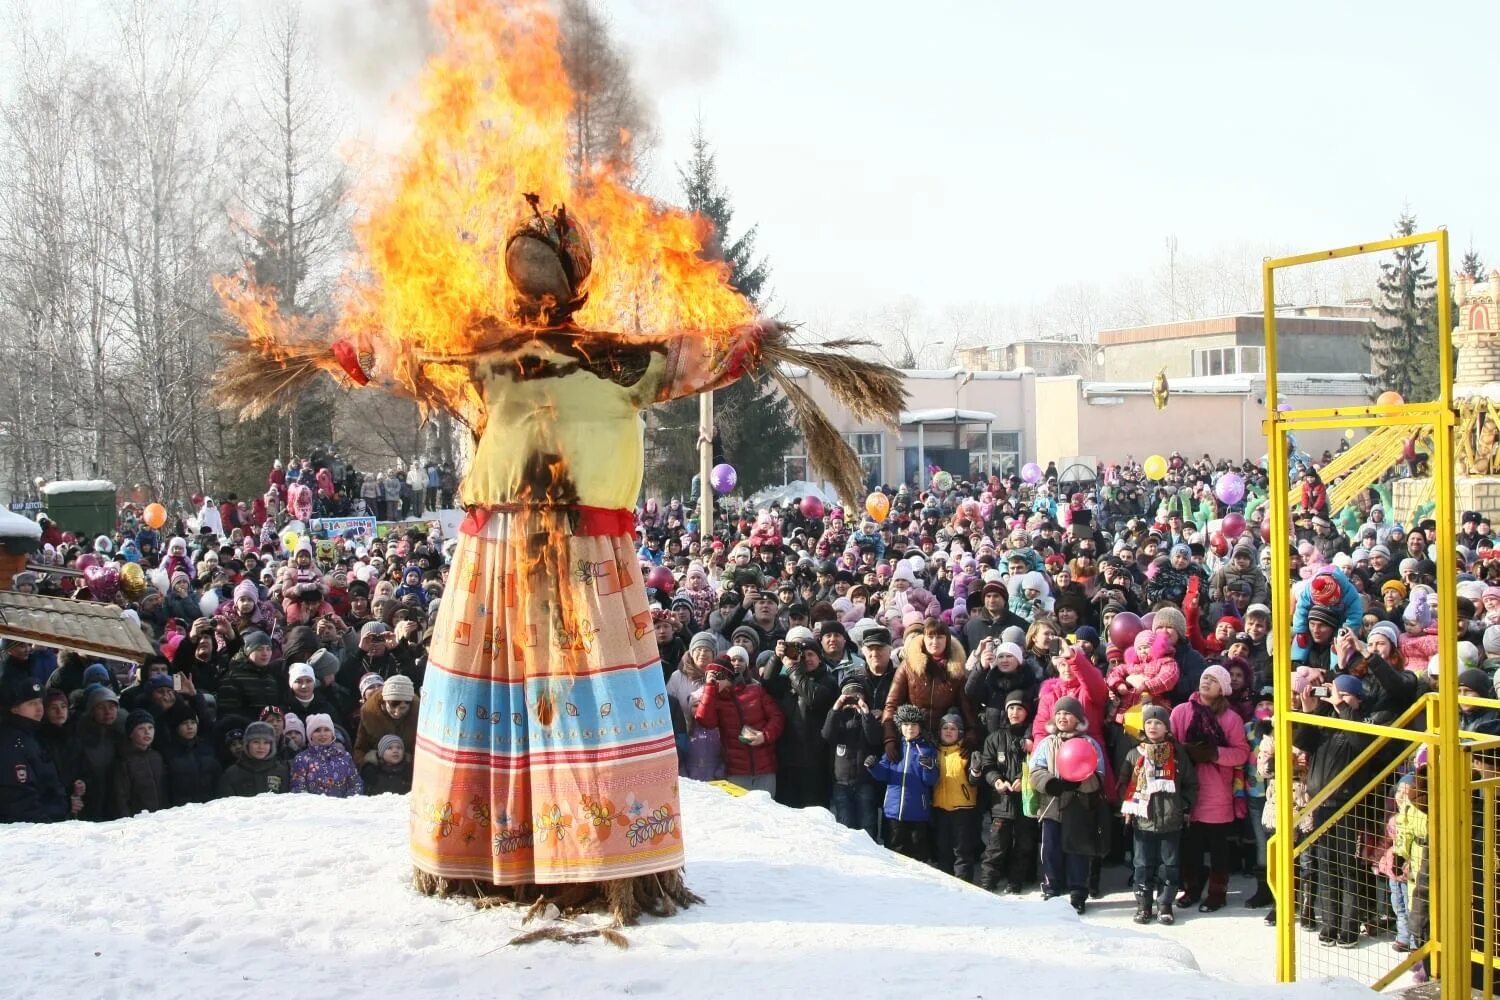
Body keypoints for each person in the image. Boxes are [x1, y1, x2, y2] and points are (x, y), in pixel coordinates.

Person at [1169, 663, 1250, 912]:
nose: (1206, 682)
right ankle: (1191, 888)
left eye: (1213, 680)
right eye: (1204, 677)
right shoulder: (1181, 711)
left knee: (1218, 849)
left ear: (1223, 688)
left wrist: (1214, 754)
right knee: (1189, 846)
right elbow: (1170, 743)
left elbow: (1241, 754)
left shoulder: (1231, 718)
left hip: (1217, 791)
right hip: (1188, 790)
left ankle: (1217, 892)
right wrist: (1186, 753)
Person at [1119, 704, 1197, 925]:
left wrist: (1183, 806)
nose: (1153, 726)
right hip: (1143, 820)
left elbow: (1191, 783)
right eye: (1149, 722)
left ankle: (1165, 904)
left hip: (1171, 821)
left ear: (1167, 728)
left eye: (1158, 722)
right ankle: (1143, 905)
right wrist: (1128, 807)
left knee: (1169, 865)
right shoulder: (1134, 754)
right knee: (1142, 864)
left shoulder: (1177, 754)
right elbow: (1123, 783)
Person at [1029, 695, 1107, 914]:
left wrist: (1080, 782)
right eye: (1059, 713)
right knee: (1050, 850)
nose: (1063, 717)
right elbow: (1035, 771)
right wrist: (1050, 784)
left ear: (1078, 718)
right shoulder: (1047, 743)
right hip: (1051, 806)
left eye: (1068, 713)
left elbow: (1099, 774)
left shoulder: (1089, 744)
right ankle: (1051, 888)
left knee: (1078, 851)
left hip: (1079, 806)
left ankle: (1078, 892)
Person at [694, 651, 785, 795]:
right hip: (736, 772)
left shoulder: (755, 691)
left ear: (728, 676)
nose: (715, 680)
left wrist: (765, 736)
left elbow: (777, 717)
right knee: (742, 815)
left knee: (767, 813)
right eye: (710, 676)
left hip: (765, 768)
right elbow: (705, 721)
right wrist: (710, 688)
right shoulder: (714, 700)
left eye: (718, 676)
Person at [976, 690, 1038, 894]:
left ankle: (1015, 882)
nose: (1015, 712)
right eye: (1011, 708)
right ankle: (988, 882)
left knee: (1024, 845)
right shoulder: (995, 738)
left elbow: (1036, 764)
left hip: (1024, 801)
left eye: (1019, 708)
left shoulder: (1032, 740)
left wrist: (1023, 779)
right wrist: (997, 781)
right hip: (1001, 802)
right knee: (996, 845)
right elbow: (987, 764)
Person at [0, 674, 80, 823]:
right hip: (34, 831)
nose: (39, 709)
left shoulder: (32, 736)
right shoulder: (13, 743)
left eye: (40, 702)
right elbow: (20, 800)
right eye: (31, 703)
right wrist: (47, 826)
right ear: (15, 709)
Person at [865, 703, 938, 861]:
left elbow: (930, 781)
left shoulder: (928, 749)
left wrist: (929, 768)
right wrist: (873, 766)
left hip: (917, 813)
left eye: (913, 725)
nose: (909, 728)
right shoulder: (895, 748)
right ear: (900, 726)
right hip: (893, 812)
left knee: (917, 856)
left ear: (920, 727)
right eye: (905, 724)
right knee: (893, 854)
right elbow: (883, 775)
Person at [821, 675, 883, 841]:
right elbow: (827, 735)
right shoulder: (838, 717)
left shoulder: (868, 717)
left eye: (857, 696)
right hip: (841, 781)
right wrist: (837, 707)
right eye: (849, 696)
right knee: (845, 822)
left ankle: (872, 853)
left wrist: (865, 713)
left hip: (865, 781)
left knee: (868, 822)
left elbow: (875, 739)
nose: (853, 700)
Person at [930, 711, 979, 882]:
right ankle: (945, 883)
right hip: (940, 806)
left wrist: (976, 770)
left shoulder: (965, 753)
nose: (949, 731)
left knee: (962, 849)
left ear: (960, 732)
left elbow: (974, 781)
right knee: (943, 847)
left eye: (953, 728)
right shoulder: (934, 752)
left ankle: (964, 884)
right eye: (945, 728)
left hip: (962, 808)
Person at [352, 673, 419, 771]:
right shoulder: (369, 714)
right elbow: (360, 748)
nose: (397, 712)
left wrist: (410, 760)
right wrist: (365, 764)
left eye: (403, 708)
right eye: (392, 707)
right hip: (378, 769)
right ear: (384, 702)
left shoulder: (418, 717)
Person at [291, 713, 364, 797]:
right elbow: (298, 789)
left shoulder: (345, 757)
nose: (322, 734)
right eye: (317, 730)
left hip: (342, 808)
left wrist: (346, 804)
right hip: (313, 808)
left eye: (326, 730)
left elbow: (356, 784)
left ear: (332, 734)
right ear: (310, 735)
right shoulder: (301, 759)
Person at [112, 709, 168, 817]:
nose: (147, 732)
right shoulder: (124, 760)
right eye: (141, 728)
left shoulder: (157, 756)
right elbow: (120, 798)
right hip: (138, 820)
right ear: (131, 733)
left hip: (160, 818)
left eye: (150, 728)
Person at [218, 720, 290, 796]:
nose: (261, 747)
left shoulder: (282, 772)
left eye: (266, 742)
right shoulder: (231, 774)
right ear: (247, 744)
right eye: (256, 742)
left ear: (271, 746)